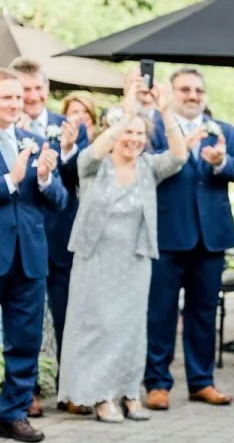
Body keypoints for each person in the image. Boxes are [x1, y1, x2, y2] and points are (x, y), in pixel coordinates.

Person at [59, 83, 187, 423]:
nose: (133, 139)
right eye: (128, 132)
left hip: (135, 257)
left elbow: (179, 155)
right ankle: (100, 396)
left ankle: (129, 392)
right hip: (96, 256)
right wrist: (128, 111)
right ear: (114, 134)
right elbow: (91, 152)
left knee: (131, 327)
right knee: (100, 327)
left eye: (140, 134)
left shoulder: (148, 167)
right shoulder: (93, 165)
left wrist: (164, 111)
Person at [0, 68, 67, 443]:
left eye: (18, 96)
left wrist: (44, 179)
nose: (15, 103)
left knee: (25, 340)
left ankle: (15, 414)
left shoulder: (33, 138)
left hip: (29, 255)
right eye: (6, 97)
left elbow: (58, 201)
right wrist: (9, 181)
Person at [144, 68, 234, 410]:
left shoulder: (225, 132)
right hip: (167, 235)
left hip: (210, 238)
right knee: (159, 314)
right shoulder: (154, 129)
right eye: (185, 89)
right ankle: (157, 383)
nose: (192, 95)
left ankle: (201, 381)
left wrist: (221, 163)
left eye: (198, 90)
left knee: (203, 313)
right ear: (172, 93)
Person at [11, 58, 82, 417]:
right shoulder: (6, 126)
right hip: (22, 238)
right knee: (28, 321)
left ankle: (70, 389)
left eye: (38, 88)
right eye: (25, 90)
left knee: (69, 316)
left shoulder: (65, 125)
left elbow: (80, 176)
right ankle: (30, 392)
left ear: (47, 89)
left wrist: (68, 151)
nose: (33, 96)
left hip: (63, 235)